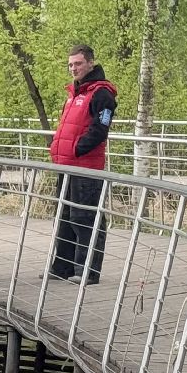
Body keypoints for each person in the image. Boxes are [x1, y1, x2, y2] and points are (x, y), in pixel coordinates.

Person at [48, 44, 117, 285]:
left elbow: (100, 128)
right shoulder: (76, 94)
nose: (73, 68)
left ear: (90, 63)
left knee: (84, 217)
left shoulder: (101, 94)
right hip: (66, 165)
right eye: (70, 64)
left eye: (77, 63)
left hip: (85, 166)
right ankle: (63, 267)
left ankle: (87, 270)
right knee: (65, 216)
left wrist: (77, 148)